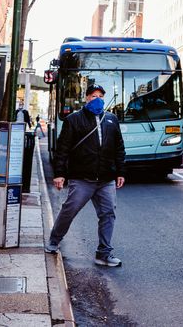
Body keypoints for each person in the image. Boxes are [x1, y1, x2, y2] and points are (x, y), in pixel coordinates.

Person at [44, 85, 126, 267]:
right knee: (69, 210)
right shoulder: (73, 119)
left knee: (108, 214)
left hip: (106, 179)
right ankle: (54, 240)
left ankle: (104, 253)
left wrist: (120, 171)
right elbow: (63, 149)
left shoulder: (111, 119)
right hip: (82, 178)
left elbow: (119, 148)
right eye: (93, 96)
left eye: (100, 96)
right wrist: (59, 174)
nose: (97, 99)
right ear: (86, 98)